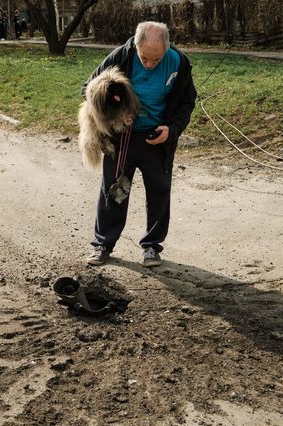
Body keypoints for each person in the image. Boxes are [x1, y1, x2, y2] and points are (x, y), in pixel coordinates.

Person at [83, 21, 196, 267]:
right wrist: (114, 115)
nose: (149, 64)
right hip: (121, 138)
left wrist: (172, 129)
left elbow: (187, 102)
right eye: (144, 58)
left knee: (159, 191)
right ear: (136, 46)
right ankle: (103, 243)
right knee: (114, 191)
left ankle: (152, 247)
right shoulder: (121, 56)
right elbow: (89, 89)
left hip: (158, 137)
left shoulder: (179, 62)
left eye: (156, 60)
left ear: (166, 49)